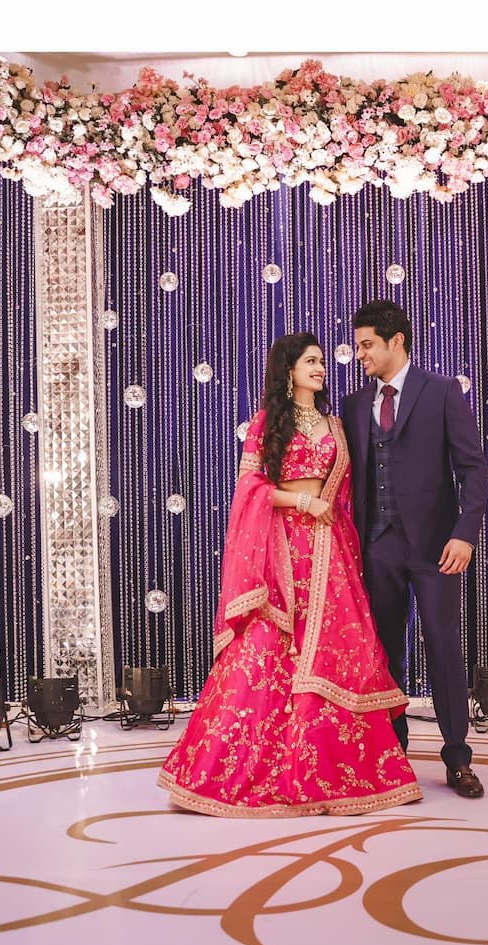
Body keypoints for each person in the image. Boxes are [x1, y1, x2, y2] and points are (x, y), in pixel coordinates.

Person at [158, 331, 423, 817]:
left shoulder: (336, 424)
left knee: (336, 650)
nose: (321, 368)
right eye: (310, 361)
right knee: (266, 651)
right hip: (280, 549)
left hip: (329, 550)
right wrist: (302, 500)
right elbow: (249, 489)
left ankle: (326, 770)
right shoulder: (267, 423)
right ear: (288, 371)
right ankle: (243, 768)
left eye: (322, 361)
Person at [343, 300, 488, 798]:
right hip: (377, 546)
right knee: (385, 651)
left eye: (367, 345)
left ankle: (458, 757)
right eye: (358, 346)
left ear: (396, 341)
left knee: (443, 645)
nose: (360, 354)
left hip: (436, 547)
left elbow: (472, 469)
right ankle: (394, 751)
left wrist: (464, 533)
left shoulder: (442, 391)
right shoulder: (354, 405)